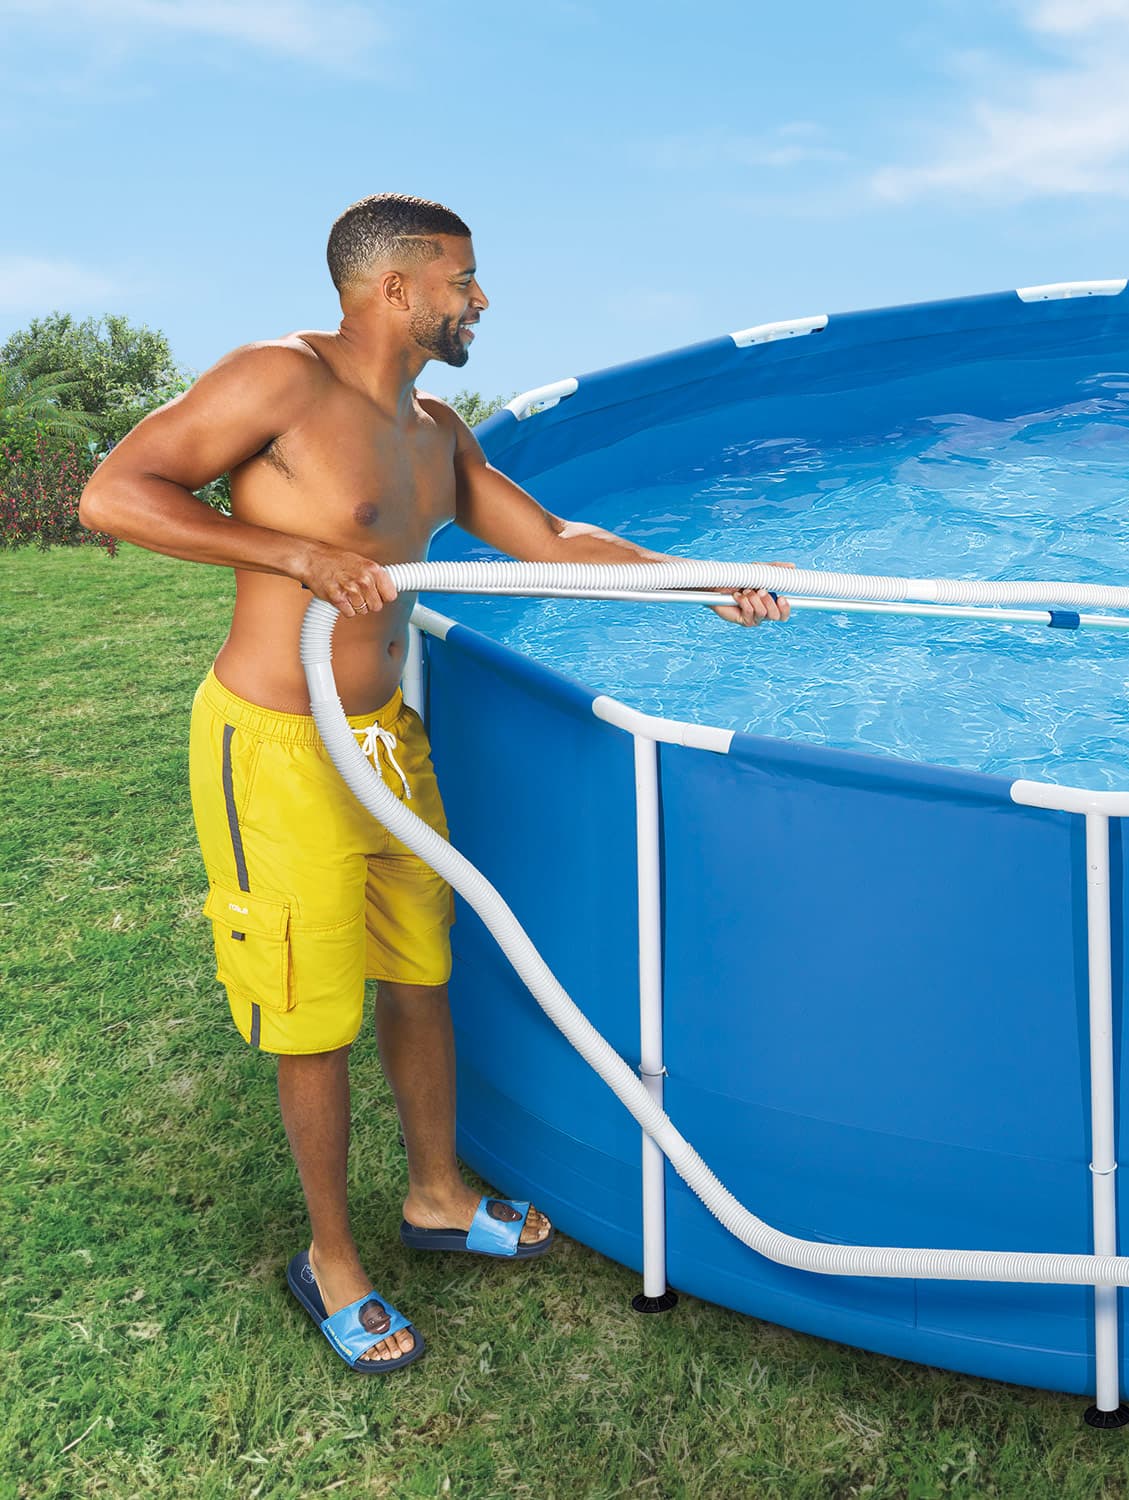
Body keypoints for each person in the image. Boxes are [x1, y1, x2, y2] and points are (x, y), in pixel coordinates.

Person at [78, 192, 791, 1373]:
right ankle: (331, 1259)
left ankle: (437, 1195)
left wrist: (700, 577)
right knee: (312, 1014)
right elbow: (115, 493)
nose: (481, 299)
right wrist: (297, 551)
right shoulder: (278, 380)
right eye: (464, 279)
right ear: (396, 288)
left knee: (418, 970)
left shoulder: (435, 427)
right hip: (273, 740)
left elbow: (552, 543)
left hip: (381, 738)